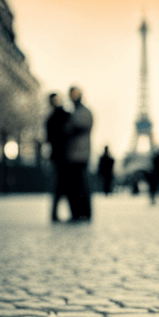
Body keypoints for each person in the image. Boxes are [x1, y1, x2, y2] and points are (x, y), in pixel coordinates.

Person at [65, 86, 93, 221]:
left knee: (80, 185)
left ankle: (84, 213)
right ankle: (78, 213)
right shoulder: (76, 112)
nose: (72, 97)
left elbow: (77, 127)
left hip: (79, 155)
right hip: (74, 154)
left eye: (75, 94)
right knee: (75, 186)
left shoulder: (82, 112)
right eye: (71, 95)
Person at [45, 93, 70, 222]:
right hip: (64, 155)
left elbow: (49, 139)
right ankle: (58, 213)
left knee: (60, 186)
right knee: (64, 185)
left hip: (60, 155)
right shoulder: (64, 115)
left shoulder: (52, 118)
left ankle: (54, 213)